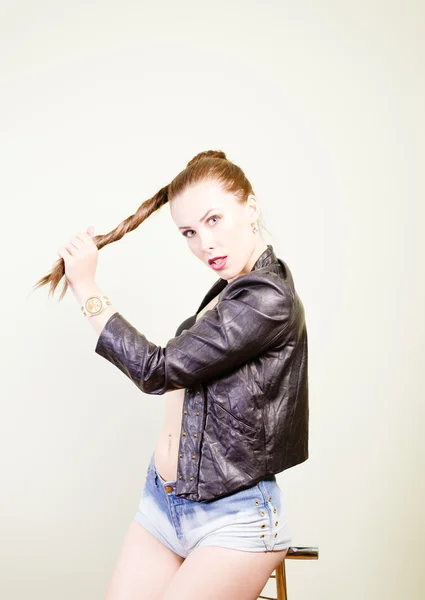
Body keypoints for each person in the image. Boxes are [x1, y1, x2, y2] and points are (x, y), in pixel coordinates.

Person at [35, 150, 309, 600]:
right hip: (163, 502)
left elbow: (158, 370)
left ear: (251, 207)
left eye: (214, 220)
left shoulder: (267, 297)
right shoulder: (230, 291)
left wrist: (86, 286)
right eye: (189, 232)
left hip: (233, 518)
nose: (205, 244)